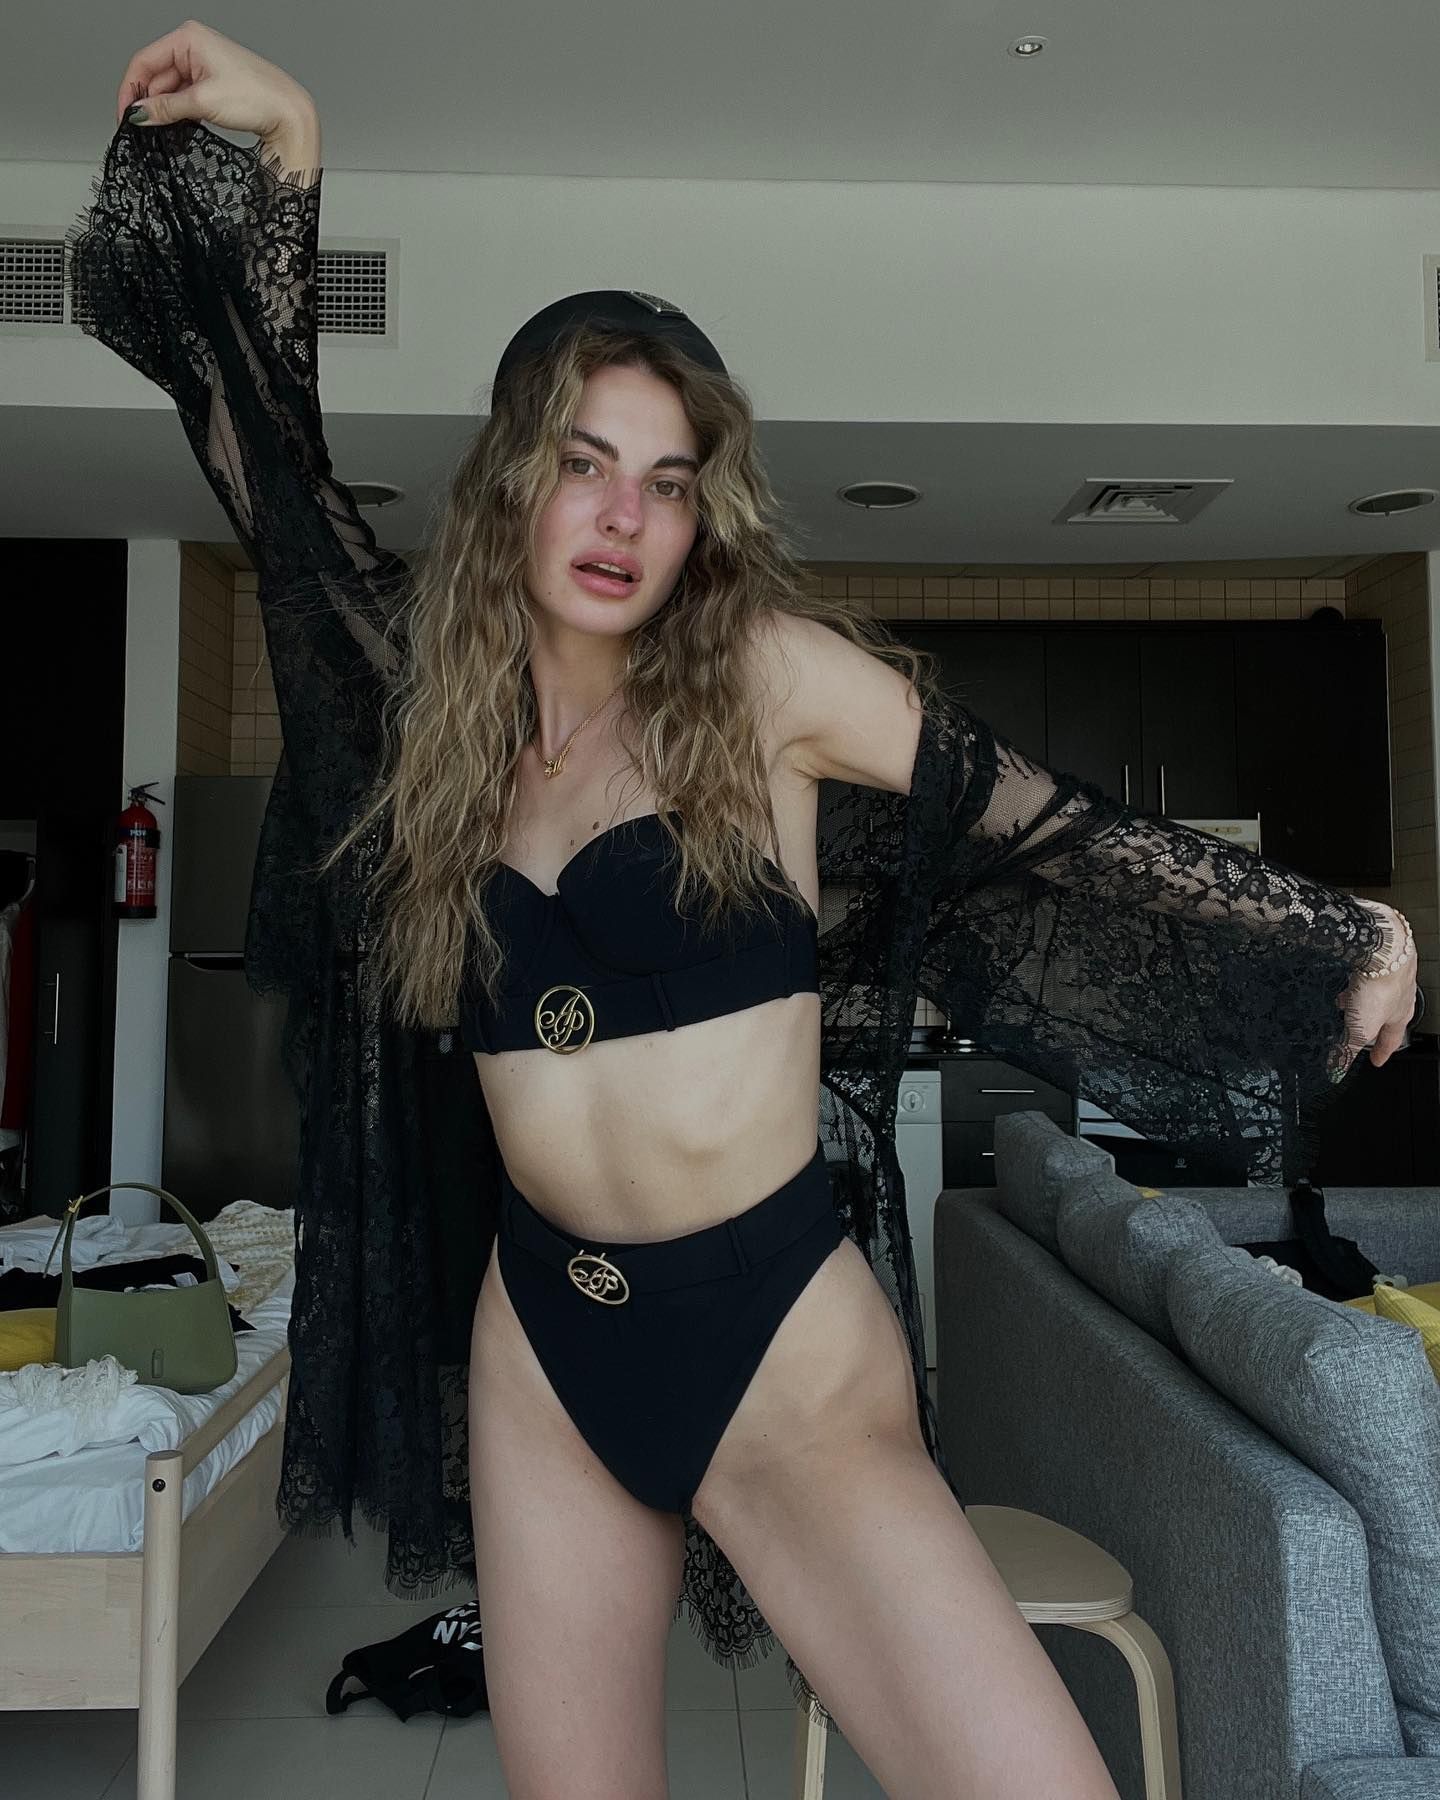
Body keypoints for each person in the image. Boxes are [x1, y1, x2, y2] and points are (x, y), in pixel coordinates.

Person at [70, 22, 1417, 1798]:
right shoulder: (442, 720)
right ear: (513, 477)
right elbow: (281, 480)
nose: (623, 514)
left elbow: (1039, 820)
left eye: (668, 479)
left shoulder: (767, 679)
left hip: (775, 1336)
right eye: (583, 461)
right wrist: (294, 147)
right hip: (546, 1339)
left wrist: (1326, 928)